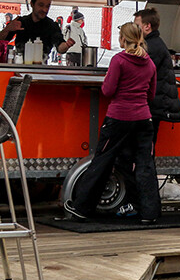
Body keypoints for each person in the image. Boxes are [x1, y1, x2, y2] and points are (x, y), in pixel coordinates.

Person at [64, 22, 160, 224]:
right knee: (145, 165)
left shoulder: (119, 60)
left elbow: (108, 90)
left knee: (102, 161)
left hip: (118, 118)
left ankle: (82, 208)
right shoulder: (149, 63)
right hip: (143, 119)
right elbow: (151, 94)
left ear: (123, 39)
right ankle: (149, 212)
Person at [133, 7, 180, 139]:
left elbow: (139, 73)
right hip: (156, 102)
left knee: (145, 142)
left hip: (154, 104)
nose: (134, 29)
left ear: (147, 26)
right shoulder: (153, 44)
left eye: (137, 25)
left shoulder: (152, 47)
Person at [0, 0, 74, 56]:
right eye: (41, 5)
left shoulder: (52, 26)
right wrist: (8, 29)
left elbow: (60, 47)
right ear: (32, 4)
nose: (45, 10)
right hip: (20, 67)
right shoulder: (21, 22)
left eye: (47, 6)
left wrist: (66, 45)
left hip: (41, 68)